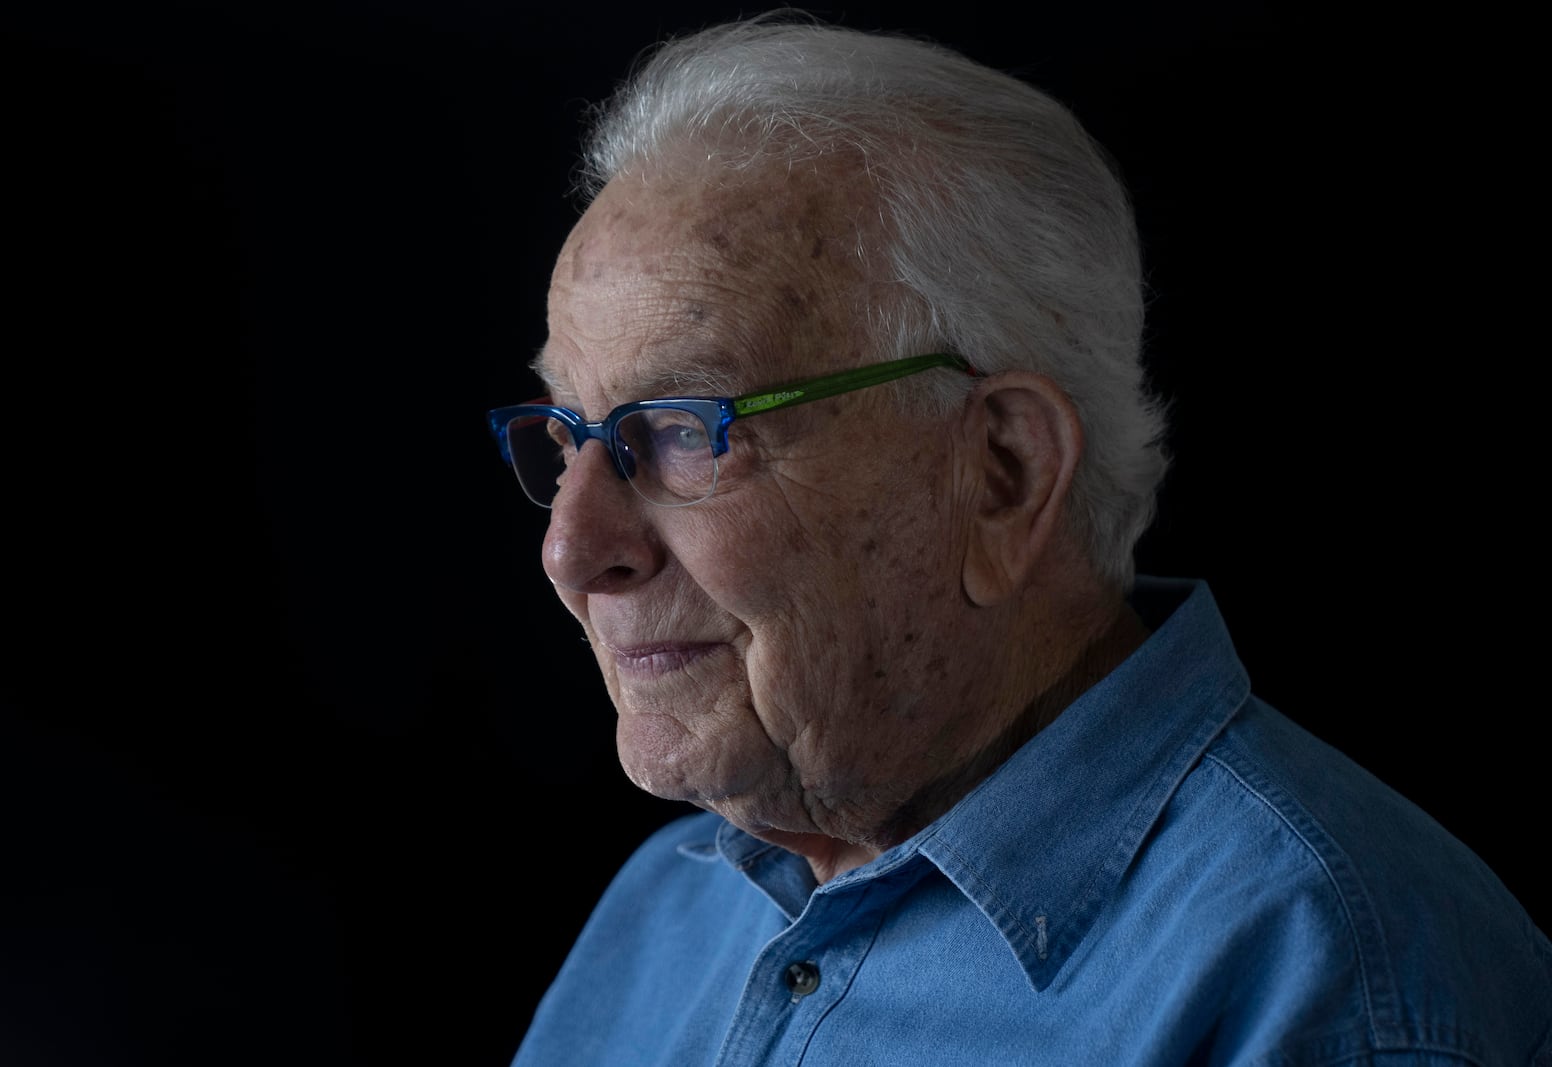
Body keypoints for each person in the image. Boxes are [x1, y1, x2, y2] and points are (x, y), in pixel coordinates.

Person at [492, 15, 1552, 1065]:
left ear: (1002, 472)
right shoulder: (666, 906)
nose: (573, 551)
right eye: (566, 434)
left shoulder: (1332, 985)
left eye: (681, 430)